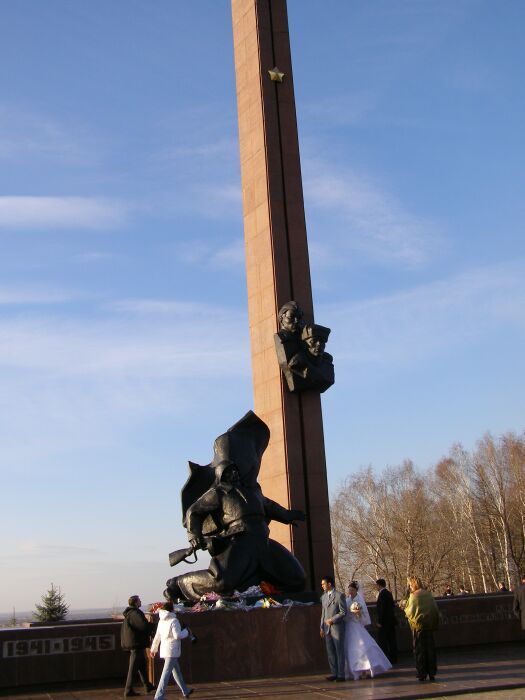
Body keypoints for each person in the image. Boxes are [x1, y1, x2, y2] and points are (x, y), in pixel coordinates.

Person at [344, 581, 391, 681]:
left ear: (356, 590)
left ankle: (364, 669)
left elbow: (364, 616)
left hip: (356, 625)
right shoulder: (347, 600)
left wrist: (358, 613)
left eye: (352, 590)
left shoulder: (359, 601)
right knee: (350, 648)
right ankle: (352, 670)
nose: (350, 592)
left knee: (362, 647)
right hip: (349, 625)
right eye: (349, 590)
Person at [150, 601, 193, 699]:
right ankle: (159, 696)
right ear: (172, 609)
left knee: (176, 672)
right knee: (166, 673)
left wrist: (153, 649)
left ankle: (185, 691)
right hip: (172, 650)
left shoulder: (161, 621)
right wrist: (186, 632)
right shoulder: (174, 620)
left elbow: (157, 636)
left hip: (165, 650)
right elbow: (177, 635)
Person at [403, 576, 440, 682]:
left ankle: (421, 673)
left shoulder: (413, 596)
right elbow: (435, 609)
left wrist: (404, 608)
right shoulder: (428, 594)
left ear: (413, 584)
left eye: (410, 585)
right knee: (430, 649)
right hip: (429, 625)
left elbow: (410, 611)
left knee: (419, 650)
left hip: (418, 627)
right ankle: (432, 672)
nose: (409, 587)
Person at [121, 595, 156, 697]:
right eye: (139, 600)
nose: (141, 602)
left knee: (142, 666)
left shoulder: (131, 613)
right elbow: (143, 626)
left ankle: (147, 686)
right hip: (136, 644)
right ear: (136, 602)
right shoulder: (135, 613)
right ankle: (128, 690)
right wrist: (153, 626)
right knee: (133, 668)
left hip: (137, 644)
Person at [320, 576, 347, 682]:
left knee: (339, 651)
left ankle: (341, 675)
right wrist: (321, 627)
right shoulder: (323, 597)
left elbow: (343, 612)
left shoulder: (339, 595)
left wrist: (333, 619)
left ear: (329, 584)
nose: (322, 586)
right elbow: (323, 613)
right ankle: (334, 673)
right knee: (330, 652)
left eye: (323, 584)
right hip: (327, 628)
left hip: (337, 627)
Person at [375, 578, 398, 663]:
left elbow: (382, 609)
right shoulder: (389, 593)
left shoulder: (382, 594)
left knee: (383, 641)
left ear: (379, 585)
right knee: (392, 640)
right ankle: (394, 657)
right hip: (391, 621)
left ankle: (386, 658)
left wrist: (379, 621)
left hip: (384, 622)